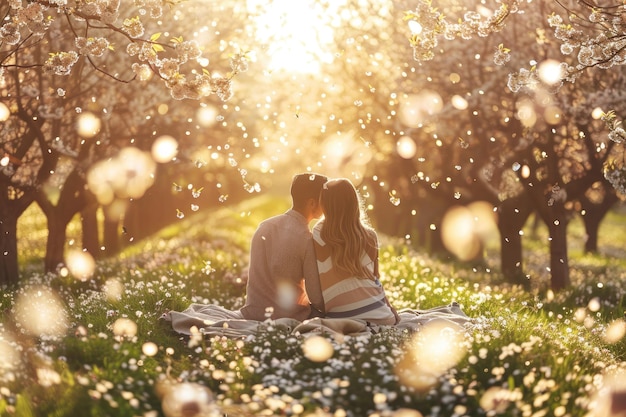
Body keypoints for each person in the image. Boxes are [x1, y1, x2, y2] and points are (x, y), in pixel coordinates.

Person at [240, 172, 328, 322]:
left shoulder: (264, 226)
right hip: (287, 315)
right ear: (312, 203)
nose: (326, 204)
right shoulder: (306, 239)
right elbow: (316, 297)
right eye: (323, 199)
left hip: (254, 311)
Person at [312, 178, 399, 325]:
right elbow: (375, 278)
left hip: (340, 318)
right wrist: (390, 309)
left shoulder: (319, 234)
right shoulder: (370, 236)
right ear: (354, 202)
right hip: (382, 317)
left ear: (324, 204)